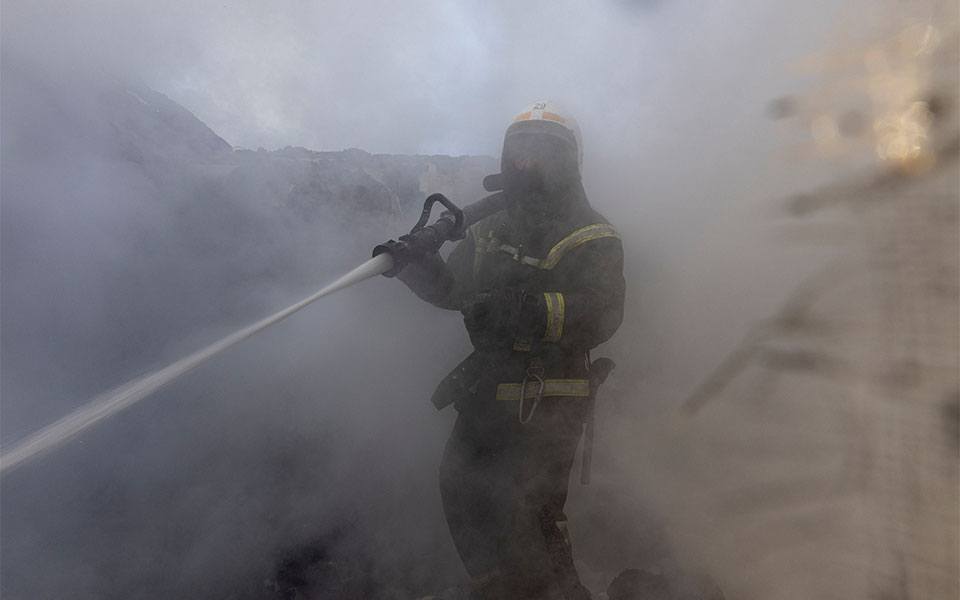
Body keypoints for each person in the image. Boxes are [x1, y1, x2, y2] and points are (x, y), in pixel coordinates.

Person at [396, 101, 625, 600]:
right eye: (519, 151)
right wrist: (419, 267)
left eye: (543, 151)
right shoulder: (486, 227)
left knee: (534, 513)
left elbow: (604, 313)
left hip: (549, 393)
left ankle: (560, 593)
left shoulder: (594, 234)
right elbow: (457, 292)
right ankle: (501, 590)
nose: (526, 163)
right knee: (461, 489)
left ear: (569, 160)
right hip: (488, 386)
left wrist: (526, 310)